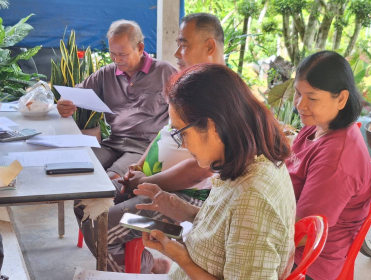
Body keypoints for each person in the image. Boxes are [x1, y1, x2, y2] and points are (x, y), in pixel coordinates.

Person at [75, 13, 227, 274]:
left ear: (209, 46)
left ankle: (139, 268)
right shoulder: (191, 82)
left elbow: (203, 168)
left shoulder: (222, 94)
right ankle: (145, 265)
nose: (177, 52)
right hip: (153, 183)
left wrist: (149, 182)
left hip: (183, 203)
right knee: (85, 203)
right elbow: (165, 133)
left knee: (99, 228)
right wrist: (140, 166)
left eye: (184, 44)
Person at [134, 63, 296, 279]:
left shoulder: (253, 196)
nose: (182, 144)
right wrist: (183, 210)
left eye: (181, 133)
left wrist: (182, 258)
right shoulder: (243, 162)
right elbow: (229, 227)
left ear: (212, 126)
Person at [285, 51, 371, 280]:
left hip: (306, 262)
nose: (300, 105)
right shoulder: (316, 125)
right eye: (297, 93)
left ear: (341, 99)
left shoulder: (338, 158)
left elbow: (303, 234)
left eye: (312, 98)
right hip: (287, 231)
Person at [57, 20, 177, 180]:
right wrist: (64, 102)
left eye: (122, 54)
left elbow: (188, 108)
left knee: (111, 178)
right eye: (112, 53)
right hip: (113, 142)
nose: (116, 59)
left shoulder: (164, 71)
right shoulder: (107, 73)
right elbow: (74, 94)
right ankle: (78, 205)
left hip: (145, 147)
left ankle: (87, 205)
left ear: (140, 48)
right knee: (78, 167)